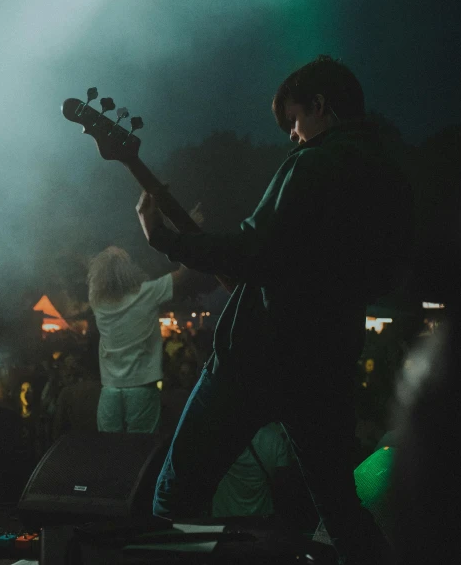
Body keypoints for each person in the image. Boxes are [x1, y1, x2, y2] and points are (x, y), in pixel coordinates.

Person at [136, 55, 413, 565]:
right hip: (327, 365)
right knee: (340, 508)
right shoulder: (388, 177)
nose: (292, 134)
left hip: (255, 361)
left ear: (321, 106)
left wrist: (166, 240)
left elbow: (252, 248)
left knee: (174, 499)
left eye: (294, 120)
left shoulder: (313, 163)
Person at [88, 245, 206, 434]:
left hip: (109, 391)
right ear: (129, 271)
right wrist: (185, 237)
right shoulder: (147, 293)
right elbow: (184, 274)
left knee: (108, 452)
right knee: (141, 452)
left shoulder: (98, 303)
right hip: (141, 389)